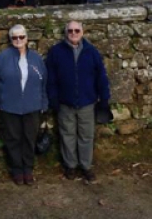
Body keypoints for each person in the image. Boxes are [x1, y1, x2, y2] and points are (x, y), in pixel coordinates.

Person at [45, 21, 111, 184]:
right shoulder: (56, 52)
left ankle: (86, 166)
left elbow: (101, 77)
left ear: (82, 32)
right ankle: (71, 166)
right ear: (65, 32)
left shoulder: (91, 51)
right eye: (70, 30)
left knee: (86, 136)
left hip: (87, 102)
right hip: (65, 103)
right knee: (67, 135)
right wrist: (53, 99)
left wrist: (104, 99)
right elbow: (50, 79)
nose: (73, 33)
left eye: (77, 30)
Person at [0, 24, 48, 185]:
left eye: (21, 37)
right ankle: (17, 170)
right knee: (13, 139)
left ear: (27, 38)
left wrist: (44, 102)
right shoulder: (3, 57)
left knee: (30, 138)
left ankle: (28, 169)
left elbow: (44, 82)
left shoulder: (36, 58)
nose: (18, 40)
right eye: (15, 37)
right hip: (9, 106)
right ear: (11, 39)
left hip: (32, 106)